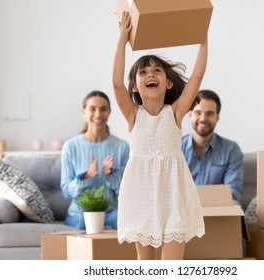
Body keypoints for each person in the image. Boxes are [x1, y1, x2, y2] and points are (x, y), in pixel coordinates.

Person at [112, 12, 208, 260]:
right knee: (146, 266)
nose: (151, 74)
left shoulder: (175, 112)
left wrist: (203, 39)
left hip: (174, 193)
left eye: (157, 70)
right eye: (143, 72)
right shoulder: (133, 115)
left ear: (167, 83)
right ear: (135, 86)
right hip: (140, 194)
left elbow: (196, 77)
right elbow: (116, 84)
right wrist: (122, 41)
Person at [60, 90, 129, 230]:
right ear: (84, 112)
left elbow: (127, 191)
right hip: (80, 213)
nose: (98, 115)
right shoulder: (70, 147)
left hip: (111, 213)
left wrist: (110, 174)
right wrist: (86, 177)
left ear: (109, 112)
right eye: (92, 109)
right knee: (81, 223)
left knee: (124, 222)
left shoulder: (122, 147)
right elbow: (66, 191)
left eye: (103, 109)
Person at [181, 89, 244, 205]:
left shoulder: (231, 150)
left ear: (217, 117)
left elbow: (233, 192)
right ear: (190, 113)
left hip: (217, 210)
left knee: (235, 204)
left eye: (209, 113)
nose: (203, 119)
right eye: (198, 112)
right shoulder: (176, 148)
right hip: (184, 210)